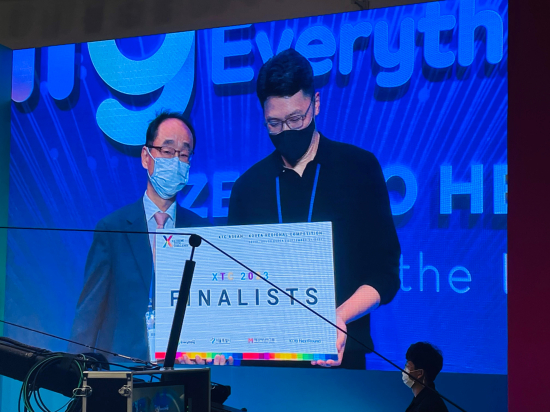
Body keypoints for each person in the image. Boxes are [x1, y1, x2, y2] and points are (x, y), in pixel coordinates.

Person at [227, 49, 401, 369]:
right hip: (265, 365)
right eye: (274, 123)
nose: (287, 130)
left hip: (340, 357)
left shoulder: (359, 169)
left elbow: (385, 273)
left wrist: (339, 317)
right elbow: (235, 280)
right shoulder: (247, 188)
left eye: (296, 119)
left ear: (316, 103)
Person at [69, 111, 230, 365]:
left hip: (182, 371)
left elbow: (214, 307)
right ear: (146, 156)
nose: (176, 161)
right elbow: (90, 310)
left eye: (184, 154)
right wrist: (73, 371)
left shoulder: (201, 233)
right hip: (122, 371)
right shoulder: (113, 229)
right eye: (167, 151)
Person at [403, 342, 449, 412]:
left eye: (408, 366)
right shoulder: (423, 398)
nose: (404, 370)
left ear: (420, 373)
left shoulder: (429, 406)